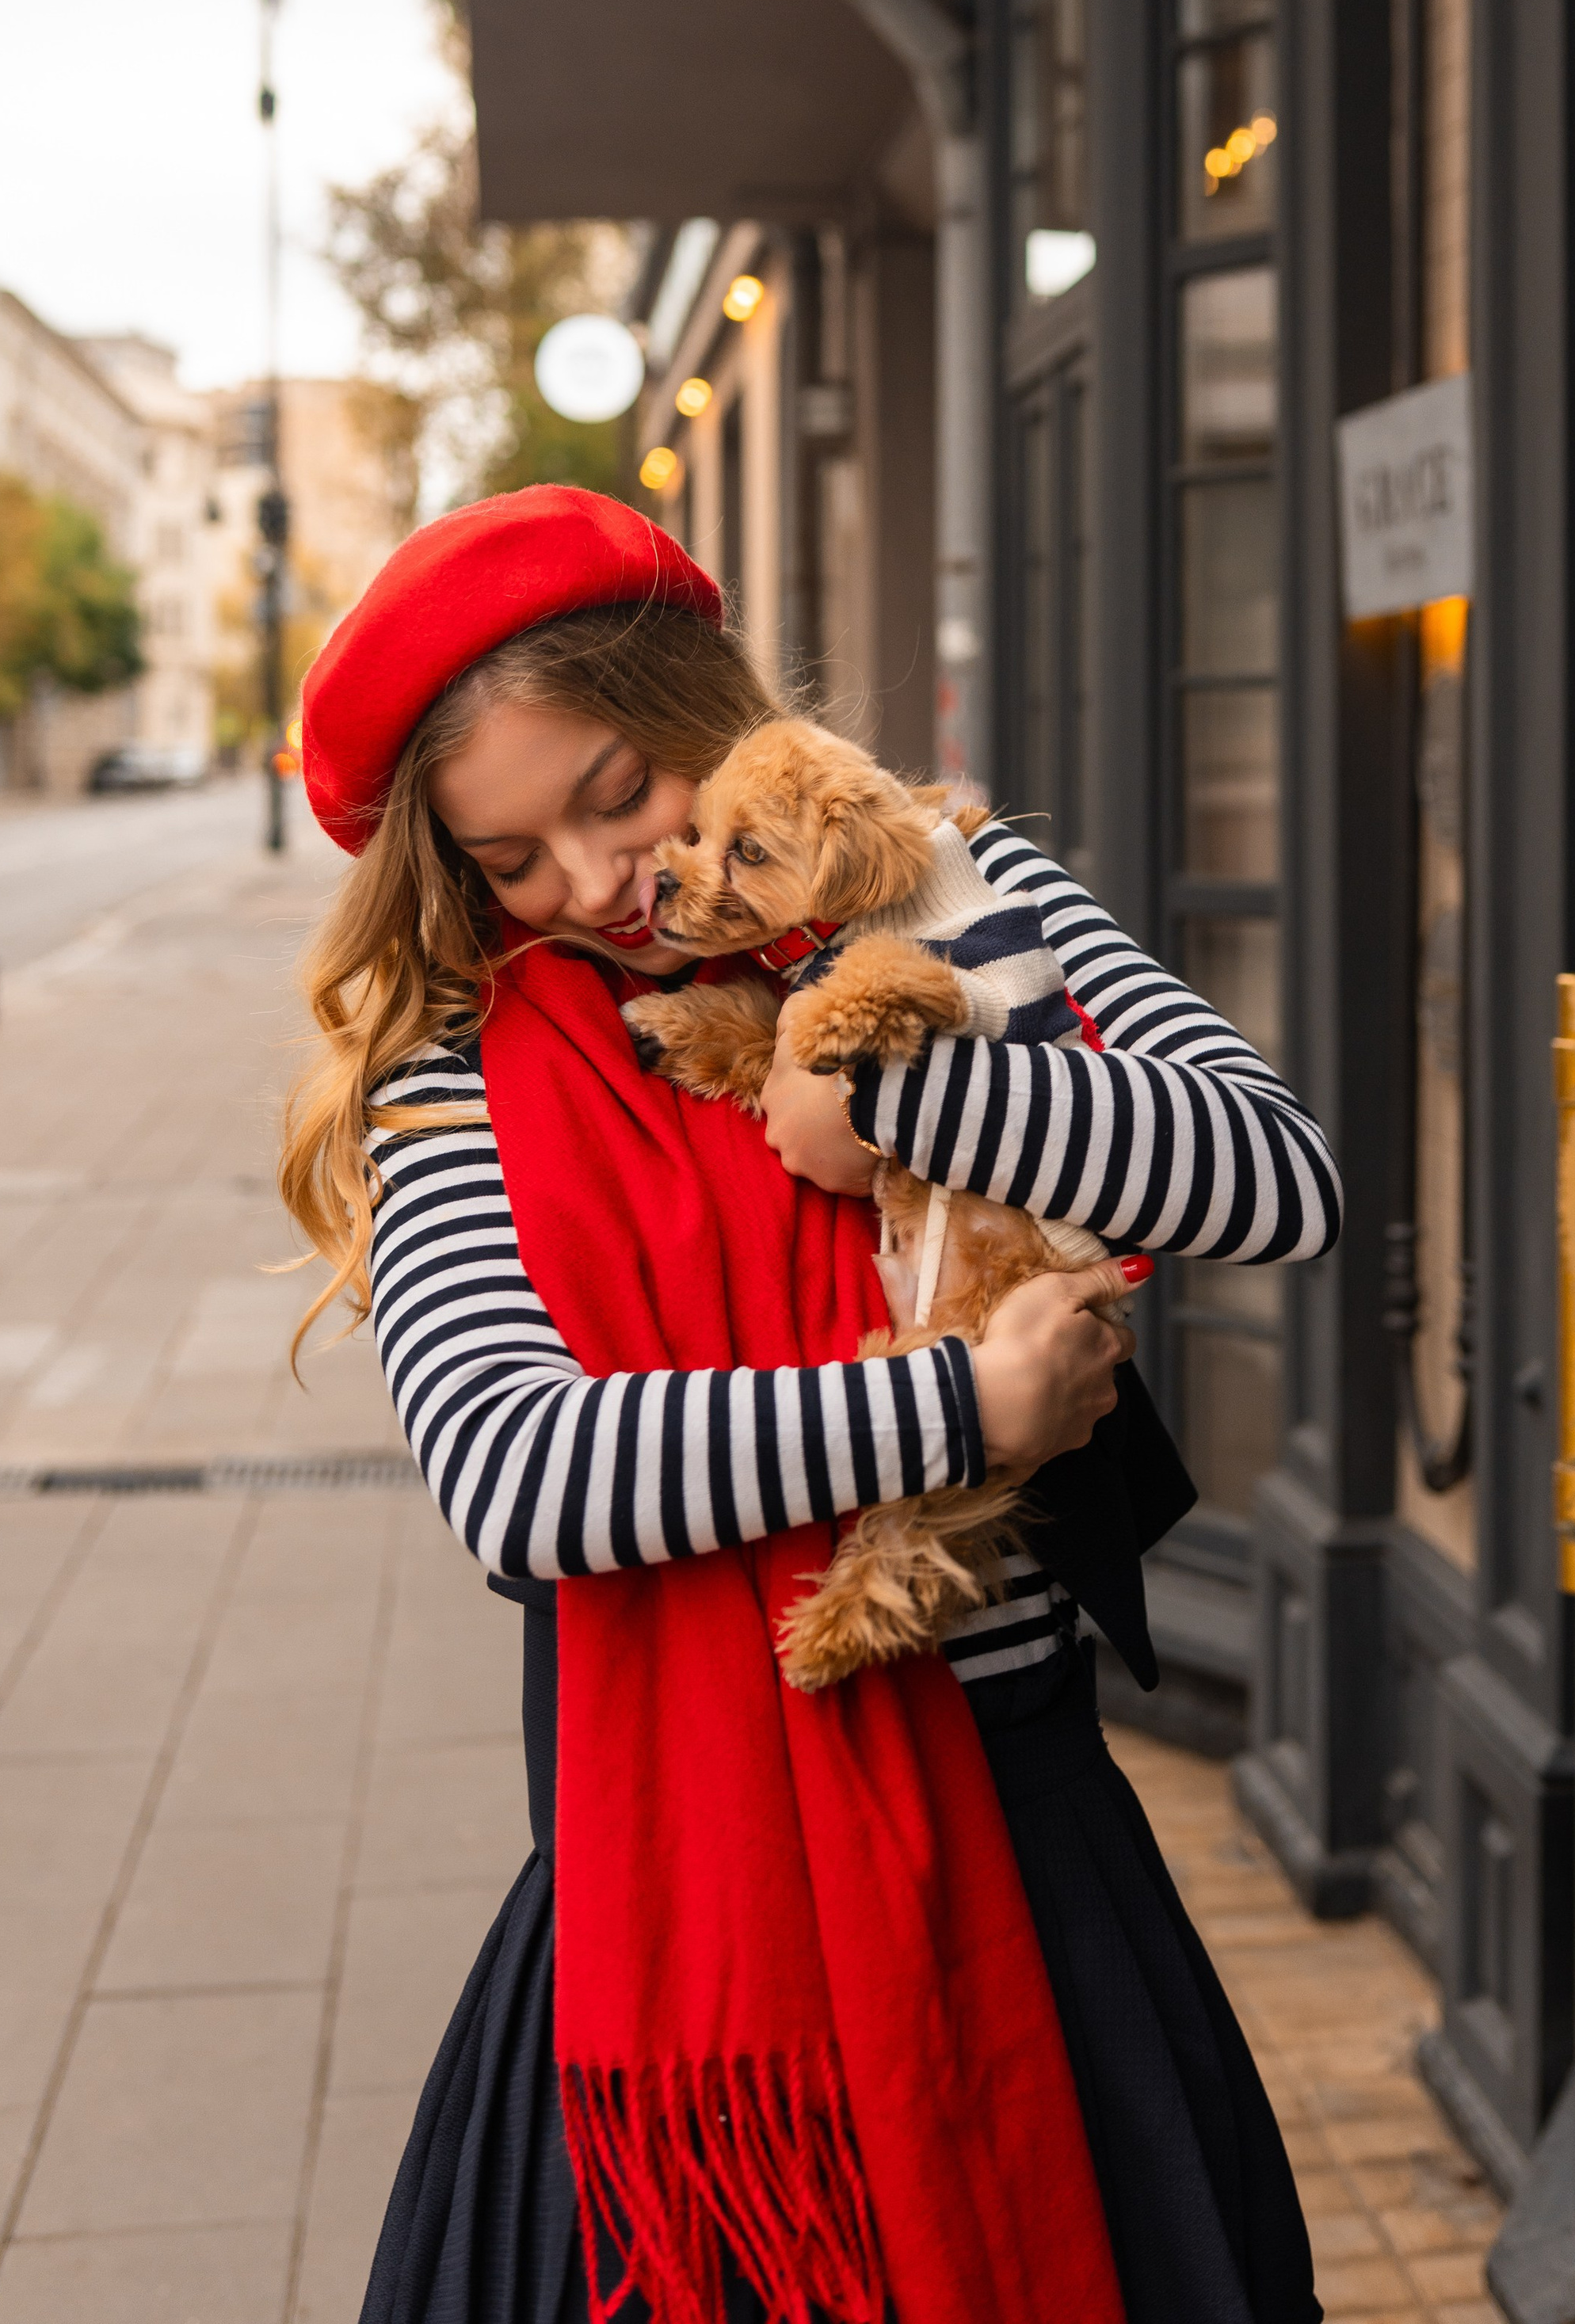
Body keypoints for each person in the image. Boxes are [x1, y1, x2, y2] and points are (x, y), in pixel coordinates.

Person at [280, 486, 1342, 2324]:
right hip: (690, 1893)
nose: (597, 882)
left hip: (1024, 1826)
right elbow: (517, 1474)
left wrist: (897, 1106)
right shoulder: (461, 1086)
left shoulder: (950, 884)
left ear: (702, 702)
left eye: (618, 792)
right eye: (515, 857)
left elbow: (1274, 1176)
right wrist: (965, 1408)